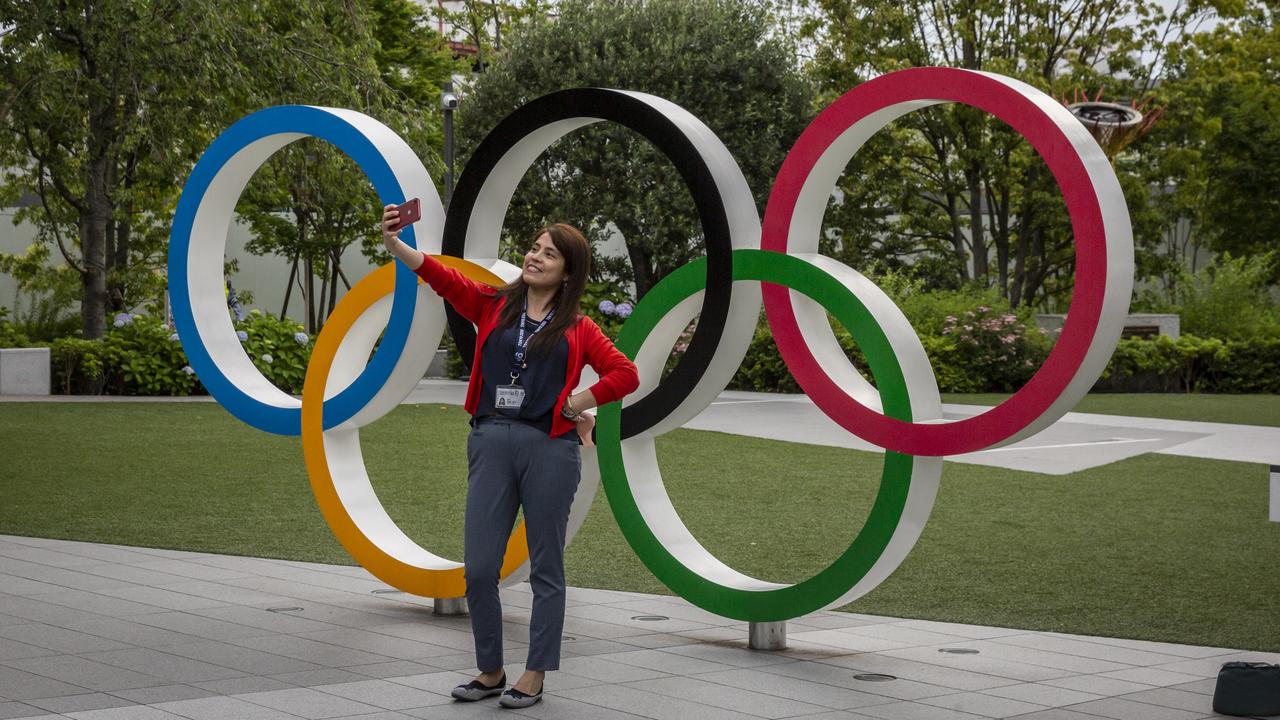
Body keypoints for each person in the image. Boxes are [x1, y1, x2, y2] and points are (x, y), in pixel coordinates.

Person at [381, 205, 640, 709]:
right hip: (491, 441)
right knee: (478, 568)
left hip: (551, 448)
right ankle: (491, 669)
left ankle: (535, 672)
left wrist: (580, 402)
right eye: (535, 247)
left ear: (568, 271)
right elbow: (441, 276)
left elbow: (625, 374)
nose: (536, 256)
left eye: (549, 253)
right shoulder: (493, 304)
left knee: (546, 567)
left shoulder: (581, 328)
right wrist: (396, 245)